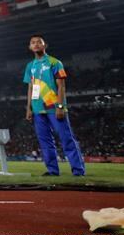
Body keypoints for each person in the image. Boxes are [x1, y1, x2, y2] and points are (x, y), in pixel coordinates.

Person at [24, 35, 85, 176]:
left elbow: (61, 86)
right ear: (30, 47)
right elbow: (30, 88)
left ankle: (78, 171)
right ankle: (52, 171)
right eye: (33, 42)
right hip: (38, 108)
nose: (36, 44)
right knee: (45, 142)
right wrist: (29, 108)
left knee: (67, 139)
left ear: (45, 45)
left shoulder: (55, 62)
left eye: (39, 42)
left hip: (53, 107)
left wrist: (60, 106)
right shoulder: (30, 66)